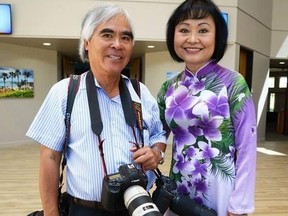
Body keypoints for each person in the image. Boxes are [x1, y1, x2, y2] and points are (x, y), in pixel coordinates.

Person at [26, 3, 166, 216]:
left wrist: (156, 153)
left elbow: (158, 134)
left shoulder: (140, 92)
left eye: (125, 38)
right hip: (84, 209)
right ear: (87, 42)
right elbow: (50, 158)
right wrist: (51, 212)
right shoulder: (65, 92)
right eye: (107, 35)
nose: (117, 44)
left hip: (137, 207)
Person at [157, 0, 257, 216]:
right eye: (184, 30)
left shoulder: (233, 83)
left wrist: (239, 205)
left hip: (221, 192)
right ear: (173, 36)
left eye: (203, 30)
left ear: (217, 36)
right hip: (179, 190)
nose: (192, 39)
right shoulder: (169, 87)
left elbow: (247, 147)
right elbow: (156, 136)